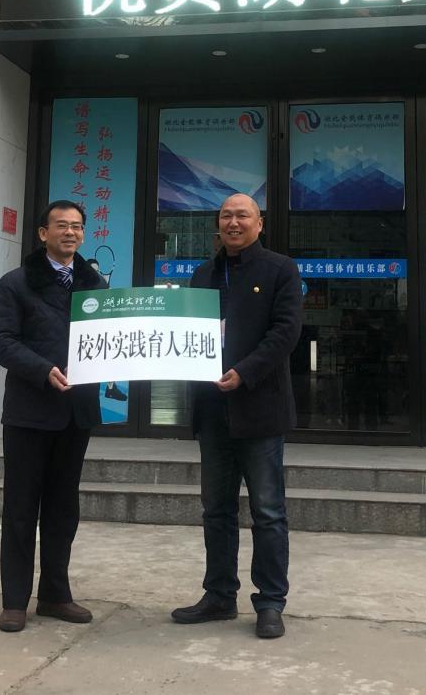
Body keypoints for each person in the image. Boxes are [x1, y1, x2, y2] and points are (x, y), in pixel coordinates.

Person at [171, 193, 303, 640]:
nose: (233, 222)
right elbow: (186, 334)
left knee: (268, 511)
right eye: (226, 215)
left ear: (259, 223)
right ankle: (219, 596)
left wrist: (245, 372)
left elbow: (286, 332)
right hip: (212, 411)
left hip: (260, 409)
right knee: (216, 510)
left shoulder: (280, 269)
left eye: (242, 215)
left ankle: (270, 602)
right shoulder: (202, 274)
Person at [0, 200, 107, 634]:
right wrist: (42, 370)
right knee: (21, 508)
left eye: (77, 226)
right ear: (43, 233)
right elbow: (1, 340)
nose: (70, 233)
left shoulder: (95, 285)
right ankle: (14, 601)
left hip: (76, 414)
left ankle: (56, 595)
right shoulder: (16, 282)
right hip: (29, 412)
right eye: (61, 225)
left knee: (63, 508)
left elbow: (109, 339)